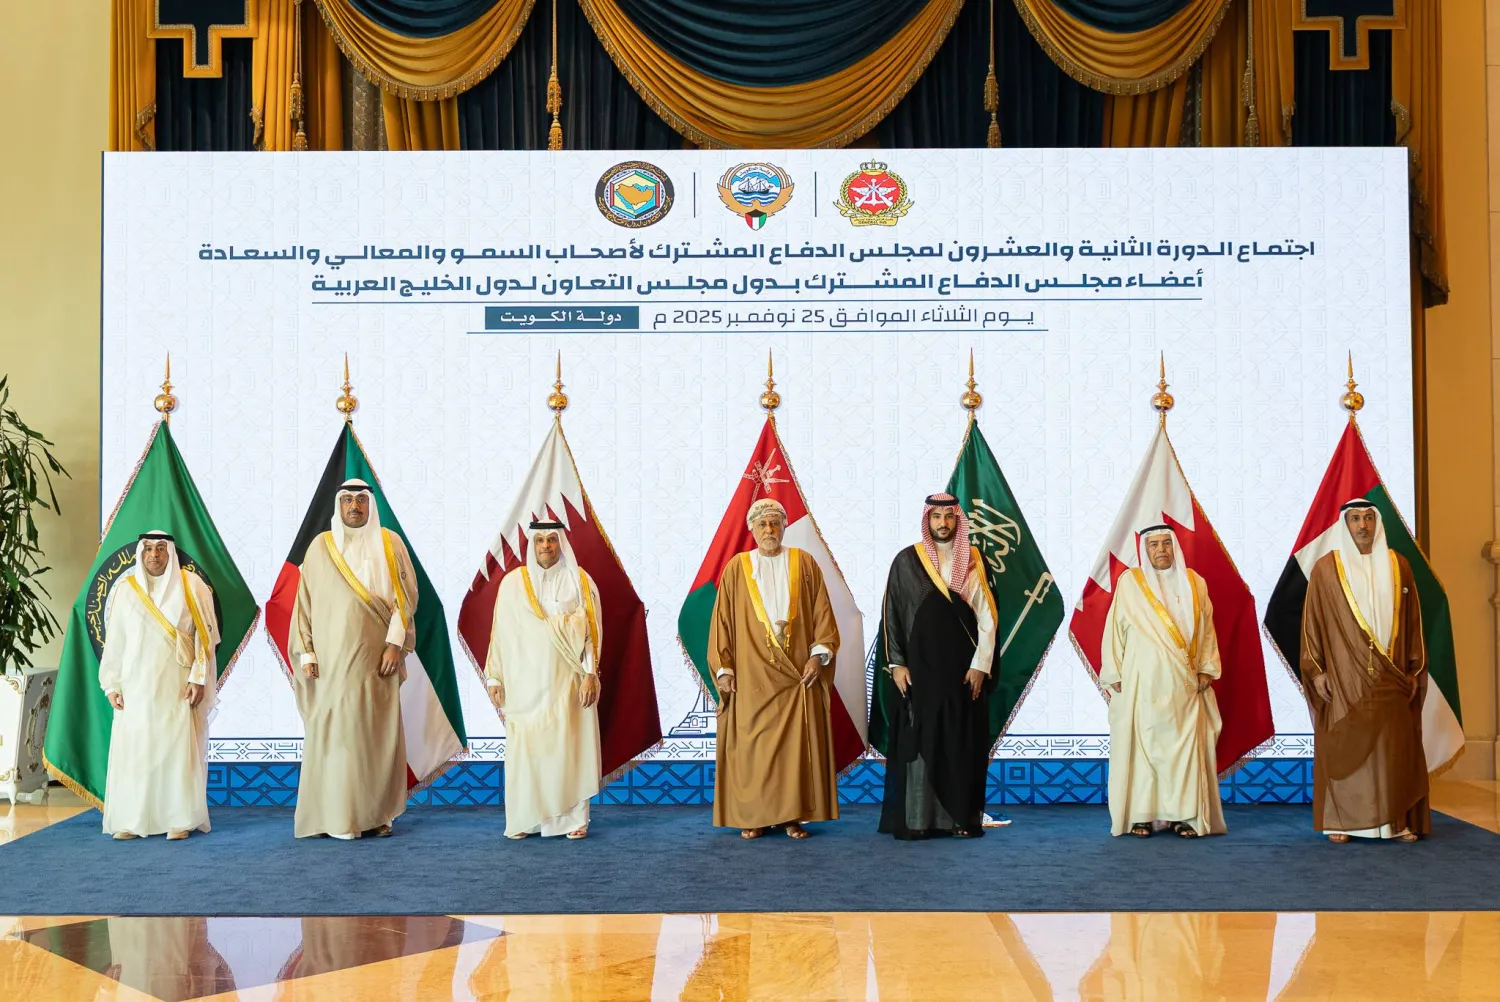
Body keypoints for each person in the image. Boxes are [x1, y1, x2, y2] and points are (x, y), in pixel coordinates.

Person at [290, 479, 416, 839]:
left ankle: (376, 816)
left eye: (361, 499)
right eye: (347, 500)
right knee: (334, 736)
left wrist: (394, 645)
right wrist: (307, 652)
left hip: (376, 660)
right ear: (339, 505)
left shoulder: (391, 543)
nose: (354, 506)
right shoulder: (320, 547)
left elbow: (406, 599)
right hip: (330, 663)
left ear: (370, 505)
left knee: (374, 737)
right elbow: (304, 604)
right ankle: (331, 817)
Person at [709, 497, 840, 839]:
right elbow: (722, 624)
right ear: (751, 530)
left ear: (784, 526)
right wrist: (725, 669)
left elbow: (823, 615)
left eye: (775, 523)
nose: (769, 530)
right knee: (753, 747)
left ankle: (791, 816)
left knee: (793, 752)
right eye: (762, 524)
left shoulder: (804, 563)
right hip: (752, 677)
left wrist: (818, 655)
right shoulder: (737, 568)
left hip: (797, 677)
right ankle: (754, 816)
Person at [1300, 500, 1429, 842]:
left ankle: (1393, 823)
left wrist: (1414, 669)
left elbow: (1413, 623)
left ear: (1377, 523)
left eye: (1368, 518)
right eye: (1355, 519)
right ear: (1345, 524)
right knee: (1346, 745)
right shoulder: (1326, 569)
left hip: (1392, 676)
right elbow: (1311, 624)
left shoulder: (1399, 566)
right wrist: (1317, 671)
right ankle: (1342, 823)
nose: (1362, 525)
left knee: (1391, 749)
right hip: (1345, 677)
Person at [876, 493, 997, 839]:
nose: (943, 523)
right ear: (927, 520)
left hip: (962, 671)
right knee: (920, 742)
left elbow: (987, 618)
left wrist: (981, 665)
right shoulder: (907, 561)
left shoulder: (974, 560)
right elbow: (891, 615)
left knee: (959, 743)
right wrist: (897, 664)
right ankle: (918, 820)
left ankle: (960, 819)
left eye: (949, 516)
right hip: (919, 670)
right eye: (936, 517)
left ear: (958, 520)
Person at [1099, 524, 1226, 838]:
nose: (1160, 550)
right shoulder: (1131, 582)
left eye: (1166, 543)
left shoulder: (1195, 582)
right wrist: (1113, 672)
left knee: (1183, 752)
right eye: (1153, 545)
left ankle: (1185, 815)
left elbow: (1206, 629)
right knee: (1144, 750)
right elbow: (1115, 629)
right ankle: (1142, 816)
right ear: (1145, 550)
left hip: (1184, 684)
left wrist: (1207, 669)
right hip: (1141, 681)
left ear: (1175, 547)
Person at [484, 520, 603, 840]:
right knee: (528, 753)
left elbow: (590, 634)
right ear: (532, 545)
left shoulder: (579, 580)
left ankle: (573, 819)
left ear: (561, 542)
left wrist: (590, 674)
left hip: (567, 683)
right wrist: (494, 676)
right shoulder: (512, 584)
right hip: (524, 685)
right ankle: (526, 819)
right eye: (540, 541)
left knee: (568, 749)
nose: (546, 546)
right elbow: (499, 633)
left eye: (552, 539)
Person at [98, 531, 218, 840]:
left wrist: (198, 678)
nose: (154, 554)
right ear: (141, 552)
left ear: (170, 552)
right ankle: (131, 820)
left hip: (176, 684)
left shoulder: (192, 586)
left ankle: (178, 819)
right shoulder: (125, 590)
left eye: (161, 549)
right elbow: (115, 641)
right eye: (149, 548)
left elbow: (205, 638)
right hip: (134, 686)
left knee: (175, 750)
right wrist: (111, 684)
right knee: (136, 749)